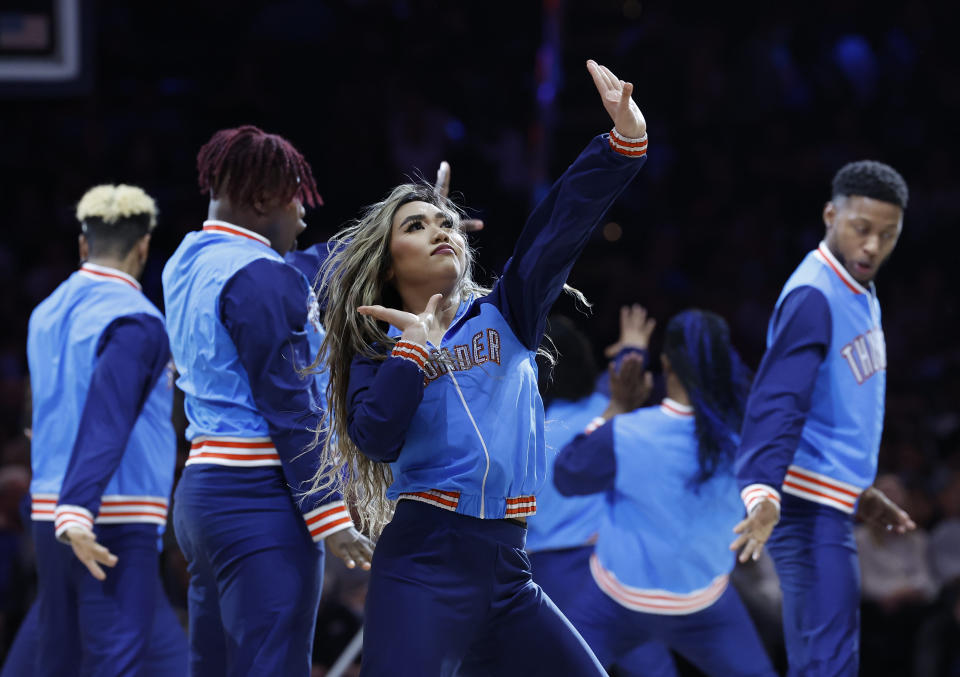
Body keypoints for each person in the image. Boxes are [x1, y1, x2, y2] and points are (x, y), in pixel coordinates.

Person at [312, 60, 647, 676]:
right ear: (389, 265)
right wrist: (413, 352)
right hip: (423, 563)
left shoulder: (507, 312)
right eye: (416, 226)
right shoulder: (379, 344)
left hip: (509, 566)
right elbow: (375, 437)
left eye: (445, 222)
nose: (440, 229)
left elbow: (556, 231)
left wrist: (621, 145)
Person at [161, 126, 373, 677]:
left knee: (215, 665)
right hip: (260, 494)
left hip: (203, 492)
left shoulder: (186, 258)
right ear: (260, 200)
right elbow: (291, 408)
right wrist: (328, 513)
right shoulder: (261, 277)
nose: (304, 212)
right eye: (297, 195)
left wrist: (388, 236)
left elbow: (307, 271)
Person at [731, 160, 915, 676]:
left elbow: (834, 409)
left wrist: (857, 490)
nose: (873, 246)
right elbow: (776, 402)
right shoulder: (815, 294)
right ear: (831, 215)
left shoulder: (857, 289)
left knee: (830, 661)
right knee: (826, 665)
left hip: (826, 501)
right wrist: (763, 492)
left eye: (888, 234)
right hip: (802, 508)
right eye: (861, 229)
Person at [3, 185, 187, 676]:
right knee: (113, 661)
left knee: (142, 653)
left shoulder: (44, 314)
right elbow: (109, 418)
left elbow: (33, 416)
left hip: (50, 511)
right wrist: (78, 511)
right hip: (108, 517)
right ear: (144, 247)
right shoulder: (138, 320)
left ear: (83, 245)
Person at [554, 310, 776, 677]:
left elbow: (567, 476)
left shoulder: (628, 432)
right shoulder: (745, 438)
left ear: (667, 362)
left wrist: (616, 407)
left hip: (614, 604)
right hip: (705, 604)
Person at [528, 311, 677, 677]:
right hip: (608, 570)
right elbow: (621, 384)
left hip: (542, 580)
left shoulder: (514, 433)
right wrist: (634, 350)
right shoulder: (605, 413)